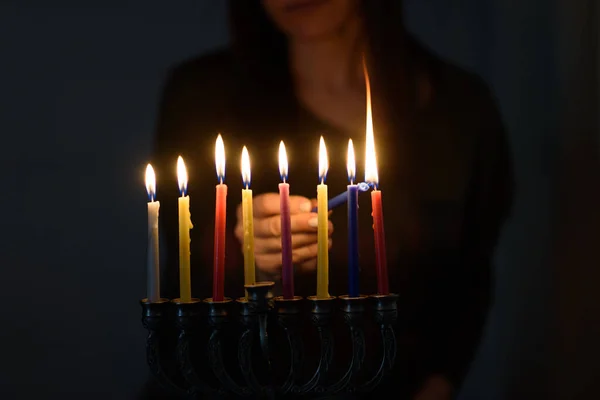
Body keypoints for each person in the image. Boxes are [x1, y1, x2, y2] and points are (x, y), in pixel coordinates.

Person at [140, 0, 514, 398]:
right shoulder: (201, 97)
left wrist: (437, 387)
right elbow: (187, 278)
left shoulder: (460, 107)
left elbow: (469, 279)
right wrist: (249, 258)